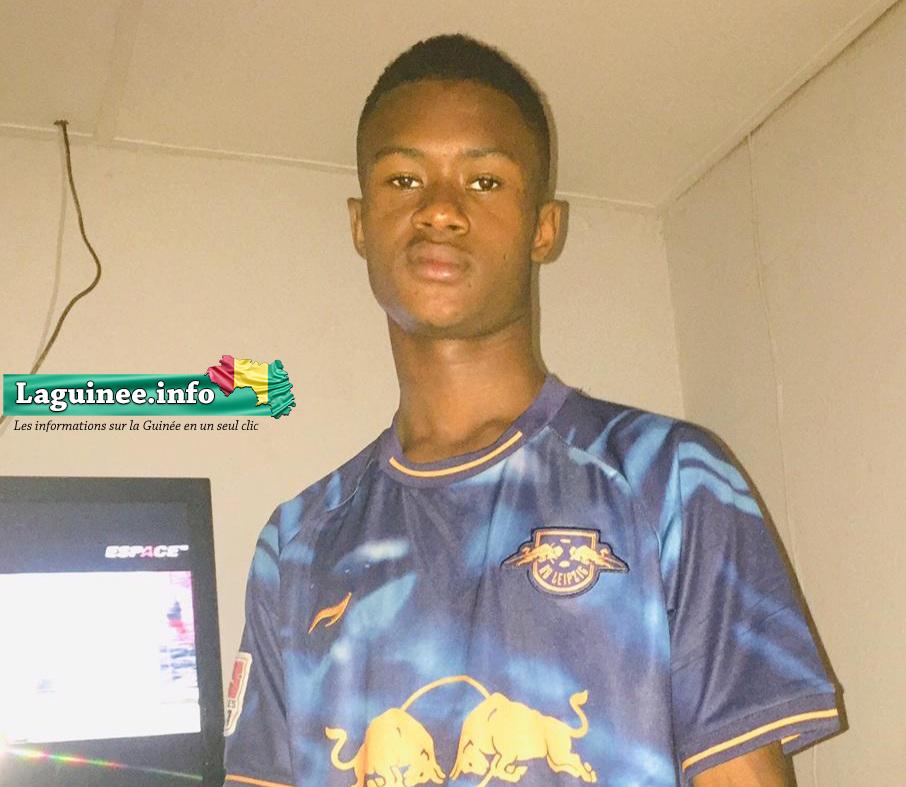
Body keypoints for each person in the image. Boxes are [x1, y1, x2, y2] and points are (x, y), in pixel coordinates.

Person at [223, 34, 841, 787]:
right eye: (403, 178)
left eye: (484, 181)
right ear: (360, 223)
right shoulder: (296, 542)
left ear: (544, 228)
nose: (439, 209)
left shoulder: (670, 479)